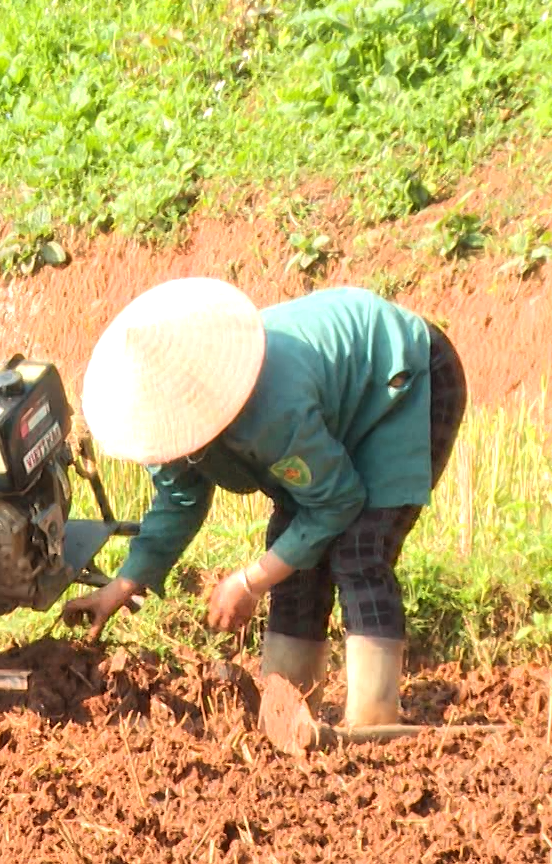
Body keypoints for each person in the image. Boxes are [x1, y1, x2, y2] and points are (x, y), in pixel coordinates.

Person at [61, 278, 466, 727]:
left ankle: (374, 720)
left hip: (402, 379)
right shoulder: (168, 430)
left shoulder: (270, 410)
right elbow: (179, 498)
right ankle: (288, 712)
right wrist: (123, 585)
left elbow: (336, 501)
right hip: (330, 406)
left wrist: (250, 582)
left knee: (359, 551)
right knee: (292, 556)